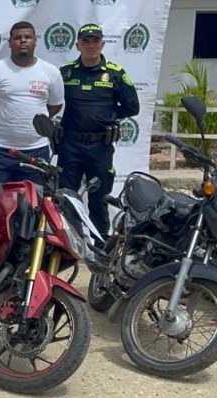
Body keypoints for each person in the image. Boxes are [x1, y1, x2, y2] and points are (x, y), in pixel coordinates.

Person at [58, 23, 140, 238]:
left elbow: (133, 107)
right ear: (78, 45)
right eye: (86, 41)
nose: (91, 45)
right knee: (66, 198)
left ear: (103, 44)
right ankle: (68, 247)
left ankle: (100, 246)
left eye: (95, 41)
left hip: (100, 147)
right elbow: (51, 103)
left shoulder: (115, 74)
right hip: (70, 145)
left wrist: (108, 116)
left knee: (99, 198)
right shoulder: (64, 72)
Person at [0, 21, 65, 184]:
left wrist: (35, 122)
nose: (23, 40)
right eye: (17, 37)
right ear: (9, 43)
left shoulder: (51, 72)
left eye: (27, 37)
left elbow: (55, 105)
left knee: (33, 206)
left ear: (35, 41)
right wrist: (0, 123)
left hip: (36, 152)